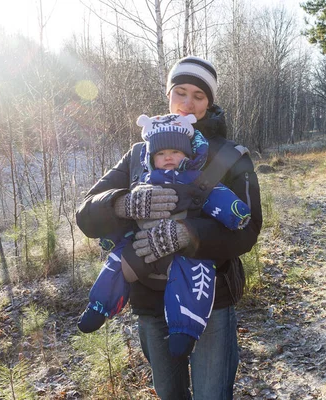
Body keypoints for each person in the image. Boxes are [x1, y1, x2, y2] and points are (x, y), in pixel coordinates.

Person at [76, 55, 262, 400]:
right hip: (149, 298)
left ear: (210, 102)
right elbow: (85, 214)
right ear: (168, 95)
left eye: (198, 96)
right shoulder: (138, 154)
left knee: (211, 394)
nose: (187, 103)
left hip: (210, 297)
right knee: (169, 393)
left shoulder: (230, 155)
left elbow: (248, 229)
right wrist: (119, 203)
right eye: (180, 92)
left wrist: (188, 236)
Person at [77, 112, 251, 360]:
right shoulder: (139, 177)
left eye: (175, 152)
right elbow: (89, 211)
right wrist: (120, 204)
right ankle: (99, 306)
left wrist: (234, 214)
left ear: (188, 153)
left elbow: (219, 199)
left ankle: (185, 329)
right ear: (151, 157)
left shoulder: (196, 180)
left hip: (183, 254)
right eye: (160, 153)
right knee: (116, 264)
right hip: (142, 249)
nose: (168, 157)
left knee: (192, 276)